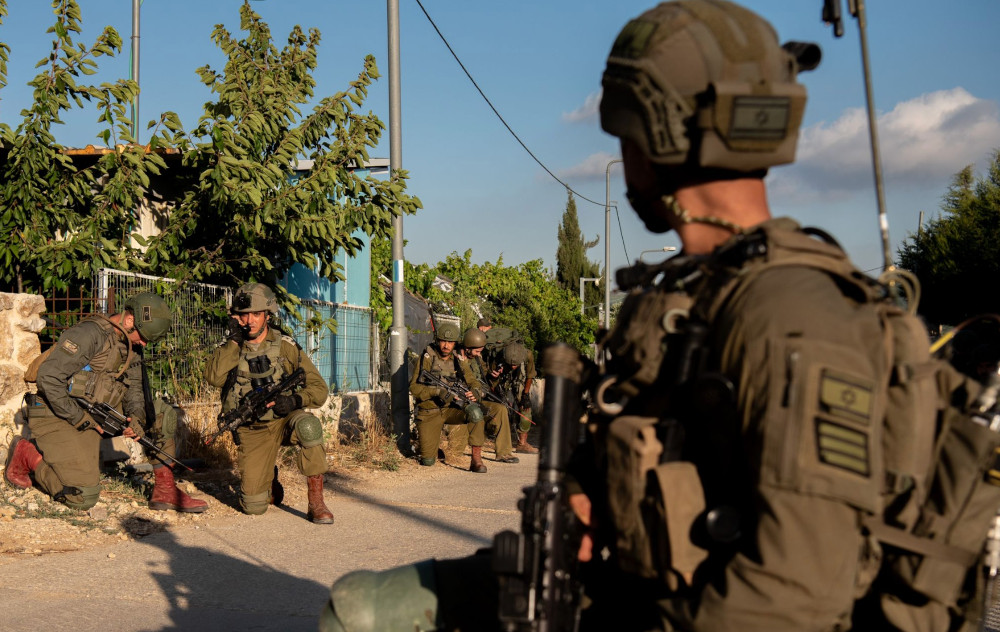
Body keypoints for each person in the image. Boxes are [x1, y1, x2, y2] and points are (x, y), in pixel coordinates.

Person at [320, 2, 998, 630]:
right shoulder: (697, 294)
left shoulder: (791, 320)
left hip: (711, 610)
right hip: (643, 578)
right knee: (360, 608)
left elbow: (796, 595)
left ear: (653, 132)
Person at [5, 293, 207, 513]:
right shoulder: (89, 333)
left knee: (160, 414)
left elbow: (135, 389)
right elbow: (49, 379)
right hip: (59, 413)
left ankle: (166, 491)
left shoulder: (131, 344)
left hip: (98, 412)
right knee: (81, 497)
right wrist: (79, 418)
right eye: (144, 336)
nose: (145, 343)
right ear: (129, 320)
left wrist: (137, 419)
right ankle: (27, 454)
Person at [204, 283, 334, 524]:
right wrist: (232, 342)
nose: (250, 321)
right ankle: (269, 479)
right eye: (244, 314)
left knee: (309, 426)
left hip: (285, 419)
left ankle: (316, 501)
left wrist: (295, 400)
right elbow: (214, 378)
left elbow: (319, 389)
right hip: (253, 430)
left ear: (268, 314)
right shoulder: (232, 346)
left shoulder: (285, 345)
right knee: (253, 507)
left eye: (256, 314)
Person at [409, 321, 489, 473]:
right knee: (427, 461)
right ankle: (430, 448)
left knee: (476, 413)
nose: (446, 346)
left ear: (455, 343)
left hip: (450, 409)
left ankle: (476, 460)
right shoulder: (427, 357)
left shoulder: (458, 360)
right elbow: (414, 387)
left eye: (450, 342)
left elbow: (473, 382)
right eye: (443, 341)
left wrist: (476, 392)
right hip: (429, 412)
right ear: (437, 340)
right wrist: (437, 392)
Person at [447, 328, 519, 464]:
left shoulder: (477, 360)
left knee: (500, 409)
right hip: (459, 404)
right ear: (468, 347)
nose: (479, 354)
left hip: (478, 399)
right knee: (455, 452)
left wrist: (493, 376)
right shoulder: (453, 359)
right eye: (477, 351)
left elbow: (485, 378)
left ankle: (504, 452)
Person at [486, 339, 537, 454]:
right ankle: (496, 440)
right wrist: (498, 393)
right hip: (501, 380)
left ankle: (522, 444)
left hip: (520, 380)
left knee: (526, 408)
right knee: (499, 408)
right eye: (511, 364)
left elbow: (530, 375)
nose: (513, 366)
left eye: (516, 364)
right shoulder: (498, 355)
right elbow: (492, 382)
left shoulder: (527, 354)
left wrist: (525, 395)